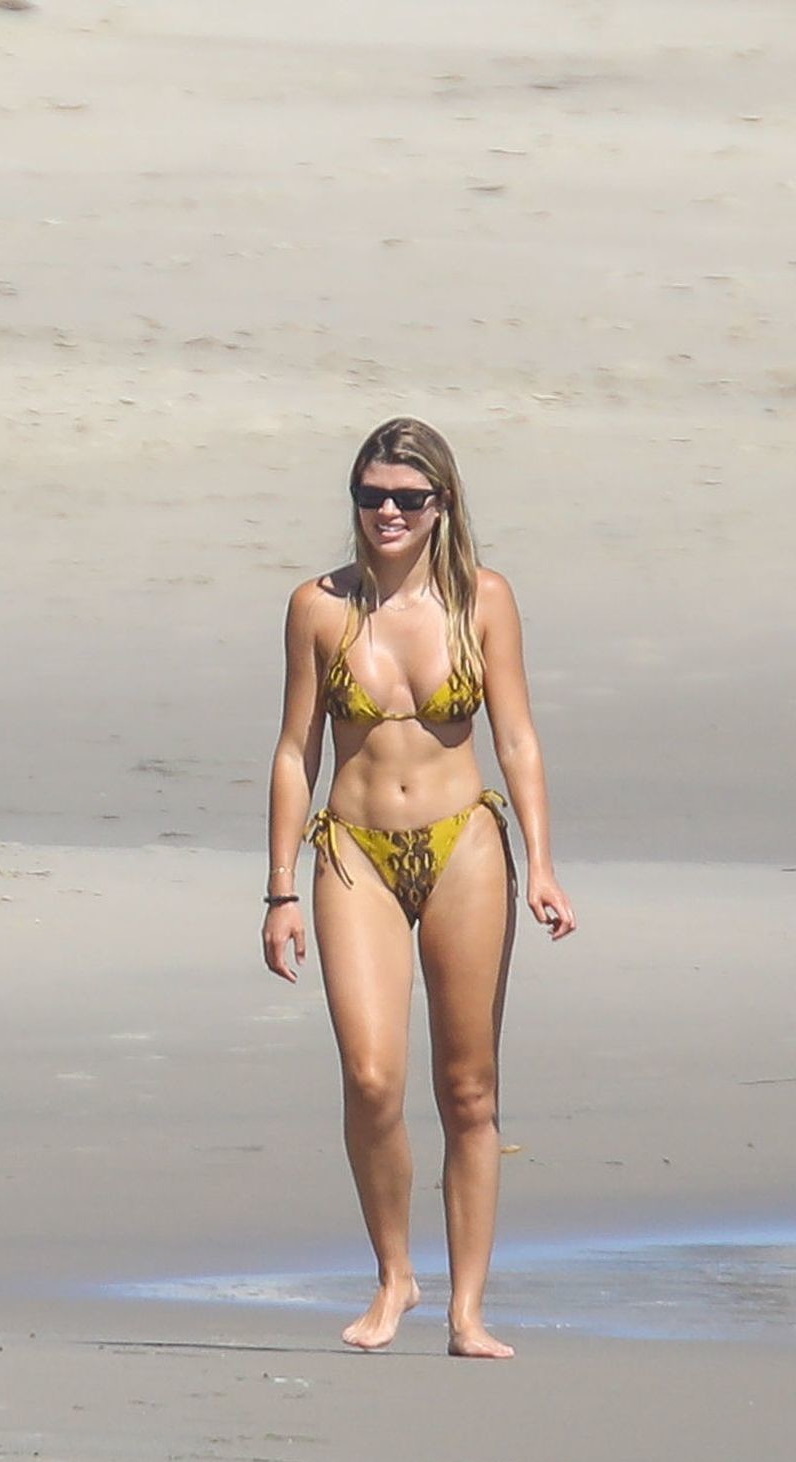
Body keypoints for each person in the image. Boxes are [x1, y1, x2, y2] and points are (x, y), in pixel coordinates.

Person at [262, 416, 576, 1359]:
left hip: (464, 845)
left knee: (469, 1088)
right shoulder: (320, 607)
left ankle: (467, 1310)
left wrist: (542, 862)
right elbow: (295, 750)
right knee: (371, 1078)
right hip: (352, 848)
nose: (387, 513)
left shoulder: (484, 599)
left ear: (442, 504)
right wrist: (279, 889)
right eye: (371, 497)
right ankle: (394, 1273)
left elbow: (516, 736)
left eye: (407, 497)